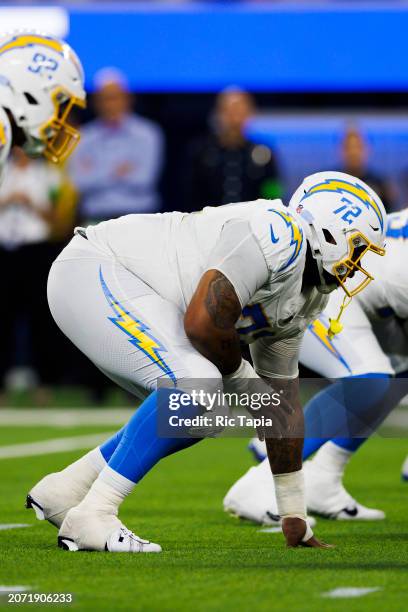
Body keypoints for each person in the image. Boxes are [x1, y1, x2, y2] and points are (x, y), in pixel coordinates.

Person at [26, 171, 386, 553]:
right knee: (198, 384)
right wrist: (248, 384)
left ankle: (66, 489)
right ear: (333, 229)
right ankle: (93, 514)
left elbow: (281, 409)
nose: (359, 264)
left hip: (125, 290)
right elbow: (202, 324)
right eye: (358, 248)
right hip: (95, 268)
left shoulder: (307, 296)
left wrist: (292, 512)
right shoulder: (278, 232)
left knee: (207, 412)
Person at [224, 209, 408, 524]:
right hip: (325, 289)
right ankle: (259, 483)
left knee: (394, 376)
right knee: (370, 380)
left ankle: (324, 477)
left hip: (358, 295)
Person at [0, 147, 63, 401]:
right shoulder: (3, 172)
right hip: (5, 251)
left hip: (36, 250)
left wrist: (32, 204)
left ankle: (44, 383)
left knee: (41, 319)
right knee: (3, 319)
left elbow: (58, 219)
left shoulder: (49, 176)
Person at [69, 68, 164, 224]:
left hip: (139, 218)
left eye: (115, 98)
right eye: (105, 99)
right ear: (96, 102)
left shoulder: (148, 134)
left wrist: (96, 171)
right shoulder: (83, 137)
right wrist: (118, 171)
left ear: (128, 98)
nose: (110, 104)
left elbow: (143, 180)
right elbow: (78, 182)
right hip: (95, 220)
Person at [187, 88, 282, 210]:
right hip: (208, 224)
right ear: (218, 113)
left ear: (249, 114)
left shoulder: (263, 153)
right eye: (229, 111)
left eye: (240, 111)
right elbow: (189, 195)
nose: (235, 118)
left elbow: (273, 192)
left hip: (253, 223)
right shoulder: (200, 152)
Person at [342, 127, 395, 212]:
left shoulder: (380, 183)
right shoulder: (332, 179)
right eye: (349, 147)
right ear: (342, 150)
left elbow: (389, 215)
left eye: (358, 147)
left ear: (367, 149)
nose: (353, 152)